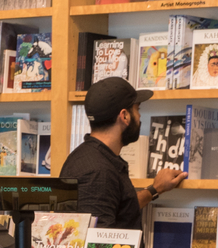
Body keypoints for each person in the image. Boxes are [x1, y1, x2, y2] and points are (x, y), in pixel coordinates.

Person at [62, 76, 185, 229]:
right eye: (137, 109)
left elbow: (119, 207)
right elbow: (97, 244)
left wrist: (155, 189)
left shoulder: (92, 158)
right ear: (125, 116)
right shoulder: (97, 172)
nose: (140, 117)